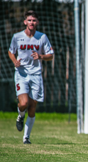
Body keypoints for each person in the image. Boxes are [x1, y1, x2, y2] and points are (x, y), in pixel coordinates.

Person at [8, 10, 54, 144]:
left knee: (32, 107)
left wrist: (41, 56)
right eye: (29, 20)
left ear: (37, 22)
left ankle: (26, 138)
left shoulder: (42, 37)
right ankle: (20, 116)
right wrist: (14, 61)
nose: (31, 22)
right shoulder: (17, 37)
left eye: (34, 20)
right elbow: (11, 51)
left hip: (36, 75)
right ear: (25, 22)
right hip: (22, 73)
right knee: (23, 103)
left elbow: (50, 55)